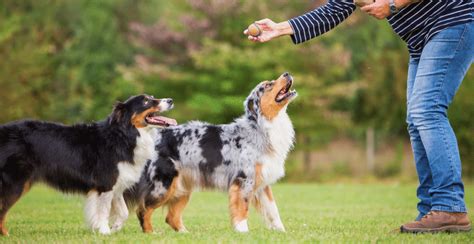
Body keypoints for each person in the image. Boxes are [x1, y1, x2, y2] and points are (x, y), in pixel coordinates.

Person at [244, 0, 473, 233]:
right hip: (421, 39)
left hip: (452, 21)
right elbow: (333, 11)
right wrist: (280, 28)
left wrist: (393, 5)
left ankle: (450, 206)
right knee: (416, 120)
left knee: (426, 111)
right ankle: (431, 210)